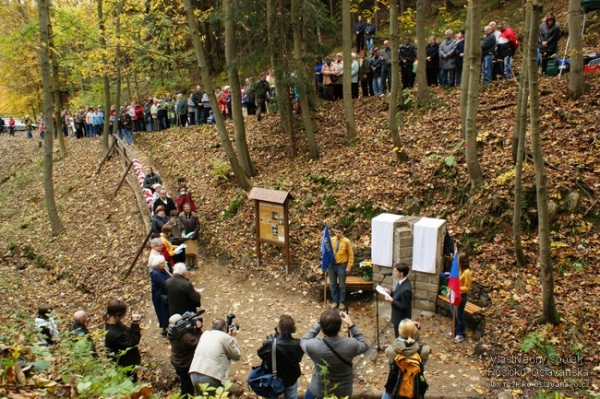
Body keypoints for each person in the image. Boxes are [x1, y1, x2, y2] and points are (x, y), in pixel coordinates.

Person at [301, 309, 368, 399]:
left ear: (322, 327)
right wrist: (351, 324)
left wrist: (319, 323)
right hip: (343, 393)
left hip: (319, 391)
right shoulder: (351, 344)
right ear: (339, 327)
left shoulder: (313, 346)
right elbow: (363, 344)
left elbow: (304, 340)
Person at [256, 315, 304, 399]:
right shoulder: (298, 344)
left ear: (279, 328)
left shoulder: (271, 344)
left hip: (274, 378)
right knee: (292, 396)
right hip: (291, 378)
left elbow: (260, 354)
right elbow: (298, 358)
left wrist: (271, 340)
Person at [189, 318, 241, 394]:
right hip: (210, 375)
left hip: (194, 373)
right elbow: (237, 355)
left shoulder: (205, 334)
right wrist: (232, 337)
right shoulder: (225, 337)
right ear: (224, 328)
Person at [382, 319, 431, 399]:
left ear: (400, 332)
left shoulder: (390, 351)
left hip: (395, 388)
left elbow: (397, 344)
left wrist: (404, 334)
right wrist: (416, 333)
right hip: (415, 389)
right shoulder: (423, 351)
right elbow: (421, 344)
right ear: (414, 332)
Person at [104, 299, 141, 381]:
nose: (123, 316)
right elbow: (133, 342)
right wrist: (135, 324)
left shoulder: (113, 322)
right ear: (117, 315)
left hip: (126, 360)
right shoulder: (115, 334)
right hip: (125, 364)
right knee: (131, 381)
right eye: (122, 315)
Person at [169, 313, 202, 398]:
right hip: (184, 364)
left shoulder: (172, 333)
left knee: (184, 380)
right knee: (187, 385)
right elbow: (199, 342)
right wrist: (198, 329)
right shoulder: (185, 337)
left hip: (177, 362)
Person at [382, 263, 412, 338]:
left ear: (401, 273)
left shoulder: (406, 289)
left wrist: (392, 301)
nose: (394, 273)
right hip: (397, 316)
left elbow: (405, 306)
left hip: (401, 318)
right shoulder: (401, 282)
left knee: (400, 337)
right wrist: (390, 292)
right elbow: (398, 294)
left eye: (396, 271)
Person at [328, 225, 354, 310]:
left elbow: (350, 255)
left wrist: (349, 266)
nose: (337, 234)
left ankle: (341, 302)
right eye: (336, 232)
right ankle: (335, 301)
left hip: (341, 265)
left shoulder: (346, 241)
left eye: (339, 232)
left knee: (342, 285)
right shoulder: (331, 240)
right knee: (332, 284)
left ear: (342, 232)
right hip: (331, 265)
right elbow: (327, 251)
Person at [450, 252, 473, 343]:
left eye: (459, 260)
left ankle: (461, 333)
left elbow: (467, 288)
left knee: (459, 316)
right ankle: (455, 331)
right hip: (455, 294)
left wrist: (457, 288)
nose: (457, 262)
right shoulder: (460, 270)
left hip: (461, 296)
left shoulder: (467, 273)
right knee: (454, 314)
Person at [150, 255, 172, 337]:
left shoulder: (162, 271)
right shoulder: (156, 274)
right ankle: (165, 329)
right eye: (162, 263)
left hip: (163, 294)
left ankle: (166, 328)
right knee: (164, 312)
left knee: (166, 312)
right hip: (160, 296)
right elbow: (165, 284)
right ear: (157, 265)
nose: (164, 264)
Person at [180, 203, 200, 269]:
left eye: (188, 207)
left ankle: (195, 263)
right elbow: (180, 226)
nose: (187, 209)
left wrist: (194, 234)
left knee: (194, 249)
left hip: (194, 235)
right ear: (184, 208)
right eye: (186, 207)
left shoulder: (194, 215)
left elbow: (198, 225)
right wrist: (183, 233)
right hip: (185, 235)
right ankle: (188, 264)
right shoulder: (181, 216)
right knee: (187, 250)